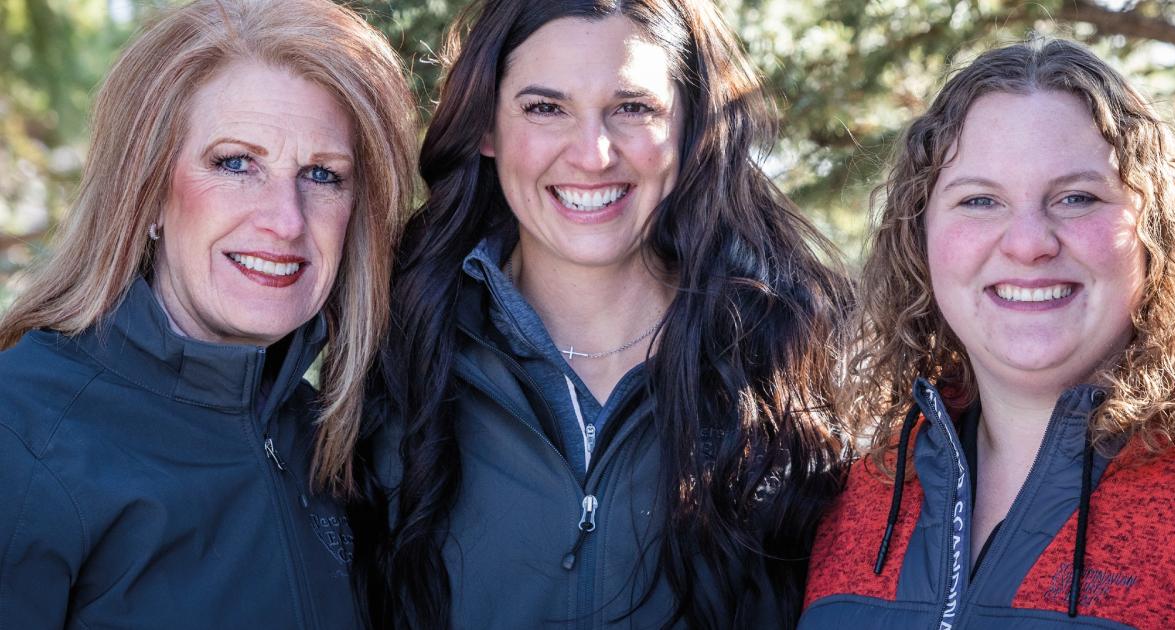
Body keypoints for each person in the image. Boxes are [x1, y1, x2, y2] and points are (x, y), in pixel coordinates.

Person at [351, 0, 850, 628]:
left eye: (633, 108)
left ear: (690, 125)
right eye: (545, 108)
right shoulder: (394, 358)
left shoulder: (791, 373)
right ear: (486, 128)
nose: (593, 153)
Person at [0, 0, 417, 627]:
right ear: (146, 195)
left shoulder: (331, 443)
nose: (285, 219)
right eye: (236, 163)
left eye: (322, 175)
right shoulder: (22, 436)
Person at [800, 38, 1175, 628]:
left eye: (1077, 197)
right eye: (981, 200)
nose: (1029, 243)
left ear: (1155, 231)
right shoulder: (856, 498)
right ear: (919, 237)